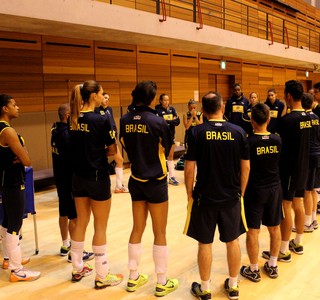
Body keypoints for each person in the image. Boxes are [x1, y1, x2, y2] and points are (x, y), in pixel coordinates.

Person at [183, 92, 250, 300]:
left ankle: (205, 289)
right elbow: (246, 167)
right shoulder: (239, 132)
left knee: (205, 243)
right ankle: (233, 286)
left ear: (203, 110)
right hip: (231, 197)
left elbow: (188, 169)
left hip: (204, 197)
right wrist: (241, 192)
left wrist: (189, 194)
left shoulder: (196, 132)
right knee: (233, 242)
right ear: (222, 108)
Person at [120, 81, 179, 297]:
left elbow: (124, 143)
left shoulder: (124, 119)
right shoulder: (157, 121)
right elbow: (169, 145)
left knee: (137, 228)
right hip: (156, 181)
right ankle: (162, 282)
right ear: (152, 98)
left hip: (136, 179)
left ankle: (133, 278)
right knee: (159, 231)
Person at [68, 80, 123, 288]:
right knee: (100, 226)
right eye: (101, 94)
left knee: (81, 222)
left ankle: (77, 268)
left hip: (78, 178)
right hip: (97, 177)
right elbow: (112, 150)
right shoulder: (101, 119)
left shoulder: (73, 117)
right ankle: (102, 275)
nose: (103, 97)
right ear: (93, 96)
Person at [240, 103, 282, 282]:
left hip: (255, 191)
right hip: (274, 189)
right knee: (274, 228)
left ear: (251, 121)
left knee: (253, 231)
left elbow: (245, 169)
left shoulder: (248, 142)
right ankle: (272, 265)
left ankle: (254, 269)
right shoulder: (277, 140)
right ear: (269, 119)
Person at [0, 94, 40, 282]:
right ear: (4, 109)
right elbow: (27, 160)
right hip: (13, 182)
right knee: (15, 225)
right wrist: (22, 155)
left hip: (5, 181)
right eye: (14, 105)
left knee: (7, 222)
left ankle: (8, 259)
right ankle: (16, 271)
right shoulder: (7, 131)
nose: (18, 107)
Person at [273, 80, 311, 262]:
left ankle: (284, 250)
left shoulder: (287, 121)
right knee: (299, 203)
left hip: (289, 170)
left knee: (286, 206)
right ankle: (299, 242)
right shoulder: (308, 118)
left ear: (288, 96)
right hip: (304, 168)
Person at [51, 103, 94, 262]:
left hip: (60, 179)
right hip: (69, 180)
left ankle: (65, 245)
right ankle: (76, 253)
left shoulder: (54, 129)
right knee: (74, 217)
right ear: (68, 116)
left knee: (63, 212)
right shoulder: (66, 135)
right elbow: (75, 157)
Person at [95, 92, 129, 193]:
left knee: (119, 160)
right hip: (101, 142)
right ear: (100, 98)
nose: (107, 100)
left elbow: (112, 124)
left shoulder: (109, 110)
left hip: (111, 140)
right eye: (105, 98)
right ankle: (98, 187)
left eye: (108, 99)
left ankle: (118, 186)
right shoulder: (96, 110)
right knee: (100, 163)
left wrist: (115, 135)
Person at [300, 93, 320, 231]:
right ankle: (313, 219)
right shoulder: (317, 118)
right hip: (318, 155)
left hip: (309, 156)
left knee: (307, 190)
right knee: (313, 189)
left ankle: (307, 223)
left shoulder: (304, 119)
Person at [155, 94, 180, 186]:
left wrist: (166, 121)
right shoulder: (157, 110)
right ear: (160, 101)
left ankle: (172, 177)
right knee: (160, 157)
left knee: (170, 156)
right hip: (161, 137)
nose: (166, 102)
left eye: (168, 100)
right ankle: (161, 176)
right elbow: (159, 123)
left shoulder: (172, 109)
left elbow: (177, 122)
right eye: (164, 100)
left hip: (171, 136)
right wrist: (170, 121)